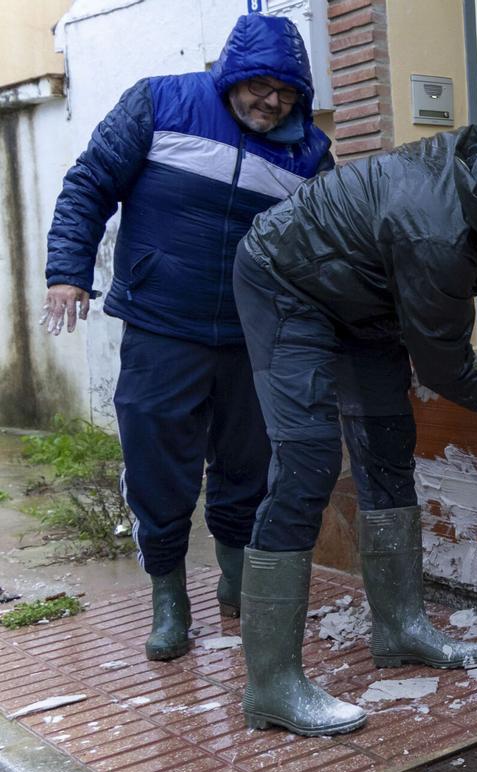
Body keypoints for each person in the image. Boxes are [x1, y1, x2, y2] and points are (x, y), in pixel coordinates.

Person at [231, 120, 477, 736]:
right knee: (307, 462)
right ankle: (272, 685)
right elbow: (444, 369)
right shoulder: (438, 231)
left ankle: (400, 628)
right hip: (287, 281)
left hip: (365, 296)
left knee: (388, 444)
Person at [42, 14, 332, 662]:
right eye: (260, 86)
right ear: (231, 76)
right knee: (158, 466)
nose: (272, 102)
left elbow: (326, 242)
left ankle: (234, 577)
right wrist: (67, 273)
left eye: (287, 92)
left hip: (252, 335)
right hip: (162, 325)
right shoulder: (160, 103)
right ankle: (169, 596)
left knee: (248, 465)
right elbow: (89, 184)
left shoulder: (309, 151)